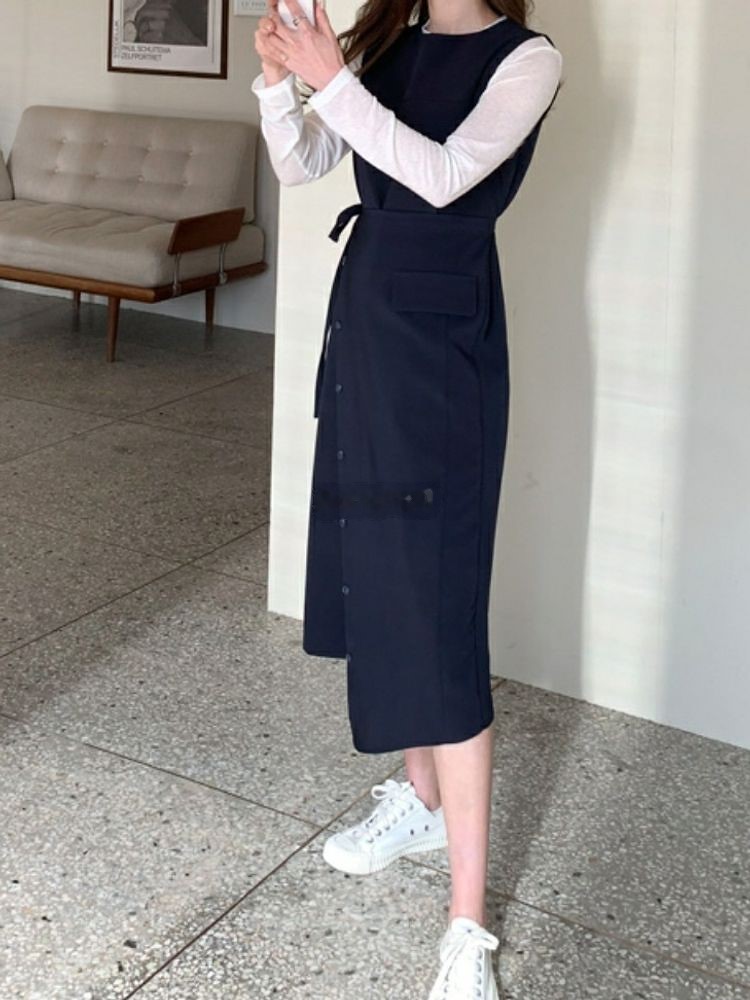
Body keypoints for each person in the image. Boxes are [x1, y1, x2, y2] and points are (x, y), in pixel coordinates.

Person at [252, 1, 562, 996]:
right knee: (384, 570)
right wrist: (279, 83)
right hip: (368, 320)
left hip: (443, 345)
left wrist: (331, 78)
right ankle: (420, 800)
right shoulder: (385, 38)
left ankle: (467, 927)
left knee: (438, 600)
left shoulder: (528, 60)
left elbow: (442, 175)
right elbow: (304, 163)